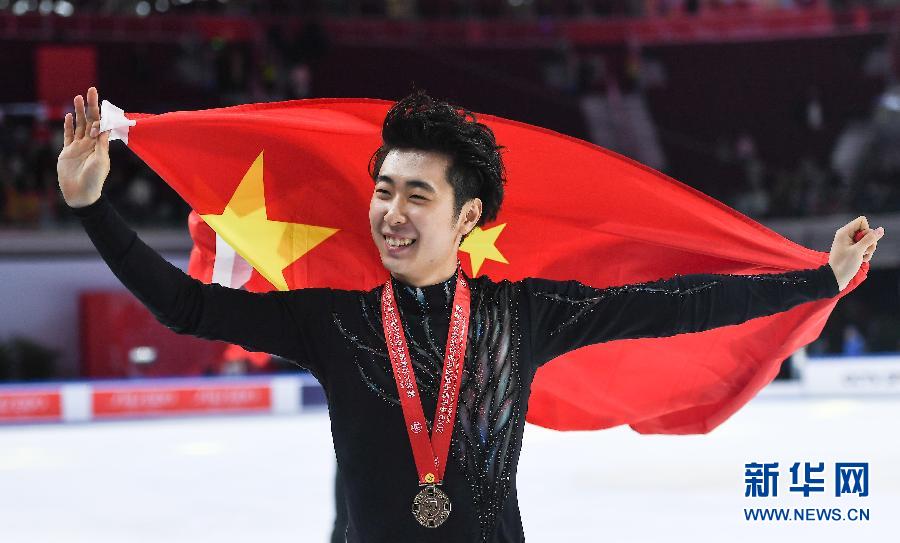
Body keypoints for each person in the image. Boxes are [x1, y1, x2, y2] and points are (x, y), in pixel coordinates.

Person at [58, 87, 883, 542]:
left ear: (468, 218)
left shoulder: (526, 314)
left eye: (417, 194)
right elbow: (187, 307)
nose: (391, 212)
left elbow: (680, 303)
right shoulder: (333, 320)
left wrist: (817, 279)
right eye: (383, 191)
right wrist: (92, 208)